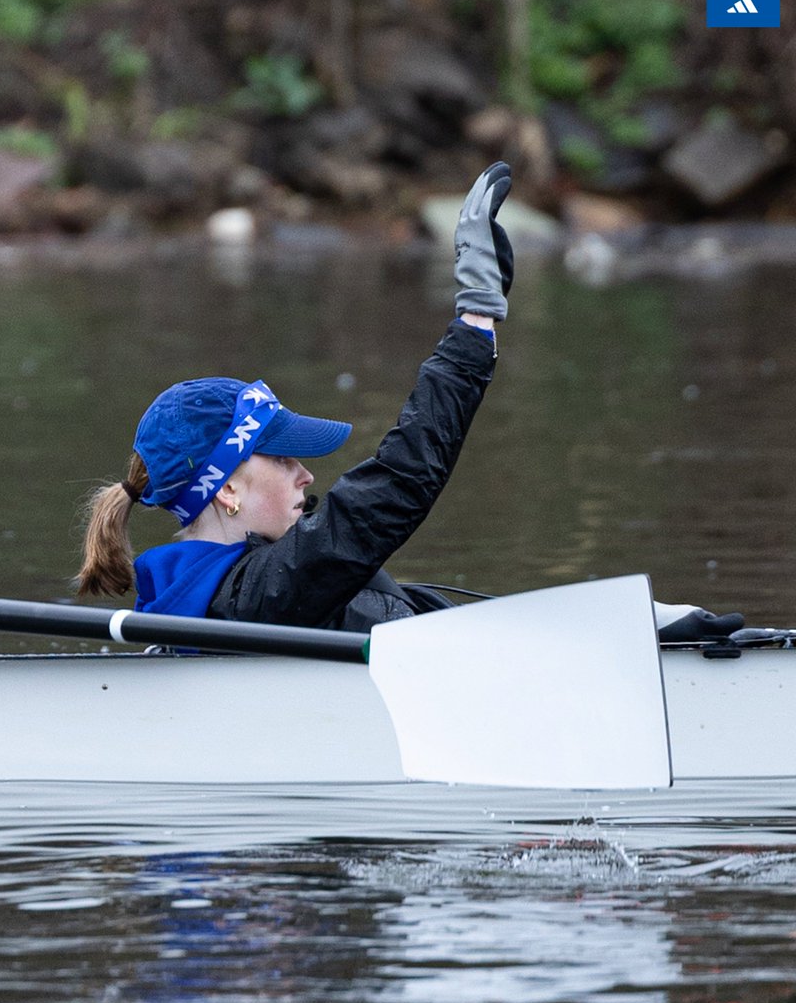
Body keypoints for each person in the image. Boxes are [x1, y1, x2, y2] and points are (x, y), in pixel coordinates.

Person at [77, 162, 744, 643]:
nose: (308, 474)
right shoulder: (263, 593)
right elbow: (396, 486)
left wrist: (632, 624)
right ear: (226, 492)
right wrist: (475, 324)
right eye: (282, 459)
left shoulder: (264, 587)